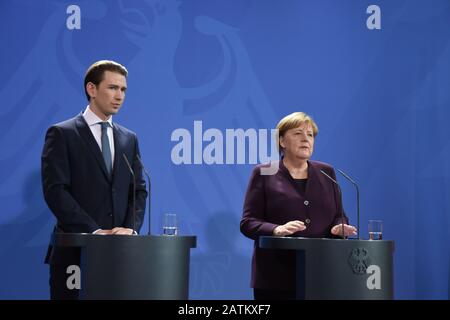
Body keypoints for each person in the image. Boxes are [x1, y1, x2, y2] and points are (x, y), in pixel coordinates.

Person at [41, 60, 147, 299]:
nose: (119, 96)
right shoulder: (62, 134)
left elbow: (138, 190)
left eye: (123, 90)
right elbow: (55, 190)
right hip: (76, 252)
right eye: (112, 88)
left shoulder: (129, 138)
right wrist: (95, 231)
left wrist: (129, 228)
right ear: (91, 89)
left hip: (120, 255)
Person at [240, 111, 357, 300]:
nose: (306, 139)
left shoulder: (327, 172)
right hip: (276, 277)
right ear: (282, 141)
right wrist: (276, 229)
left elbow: (339, 214)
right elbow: (248, 223)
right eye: (297, 134)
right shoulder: (263, 173)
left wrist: (339, 226)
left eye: (310, 135)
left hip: (323, 274)